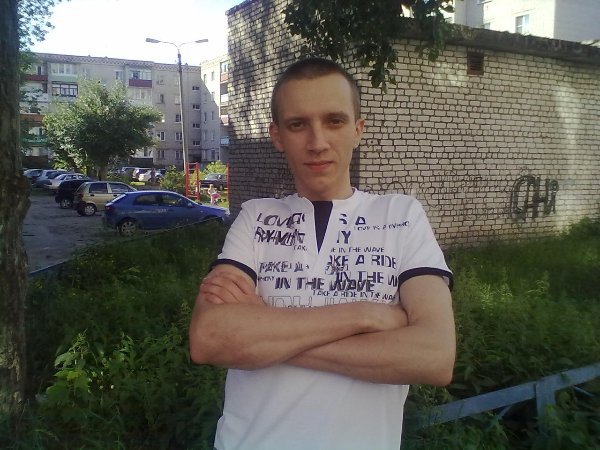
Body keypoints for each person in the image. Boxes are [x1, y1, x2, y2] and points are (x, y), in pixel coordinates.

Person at [189, 57, 456, 450]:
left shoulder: (400, 217)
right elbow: (210, 339)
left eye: (334, 121)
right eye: (298, 124)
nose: (317, 142)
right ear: (277, 136)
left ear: (357, 129)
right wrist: (364, 315)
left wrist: (265, 334)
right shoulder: (256, 217)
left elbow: (434, 356)